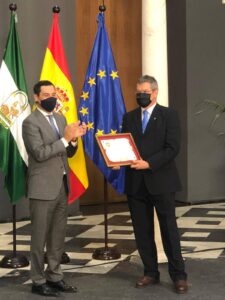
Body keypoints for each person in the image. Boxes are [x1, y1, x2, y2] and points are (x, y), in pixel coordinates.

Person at [121, 75, 188, 294]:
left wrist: (149, 163)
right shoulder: (129, 117)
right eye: (138, 92)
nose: (141, 95)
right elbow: (124, 147)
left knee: (169, 230)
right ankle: (150, 272)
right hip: (136, 183)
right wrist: (118, 162)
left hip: (162, 181)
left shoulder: (169, 115)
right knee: (142, 231)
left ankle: (179, 275)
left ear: (155, 93)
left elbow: (172, 148)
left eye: (145, 92)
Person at [22, 80, 87, 297]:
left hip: (61, 185)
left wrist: (74, 140)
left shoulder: (60, 118)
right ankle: (38, 280)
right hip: (42, 187)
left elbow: (66, 152)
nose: (51, 98)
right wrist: (66, 138)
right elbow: (40, 153)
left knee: (57, 236)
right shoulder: (30, 123)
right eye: (46, 94)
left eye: (53, 94)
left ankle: (55, 276)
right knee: (39, 236)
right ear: (37, 98)